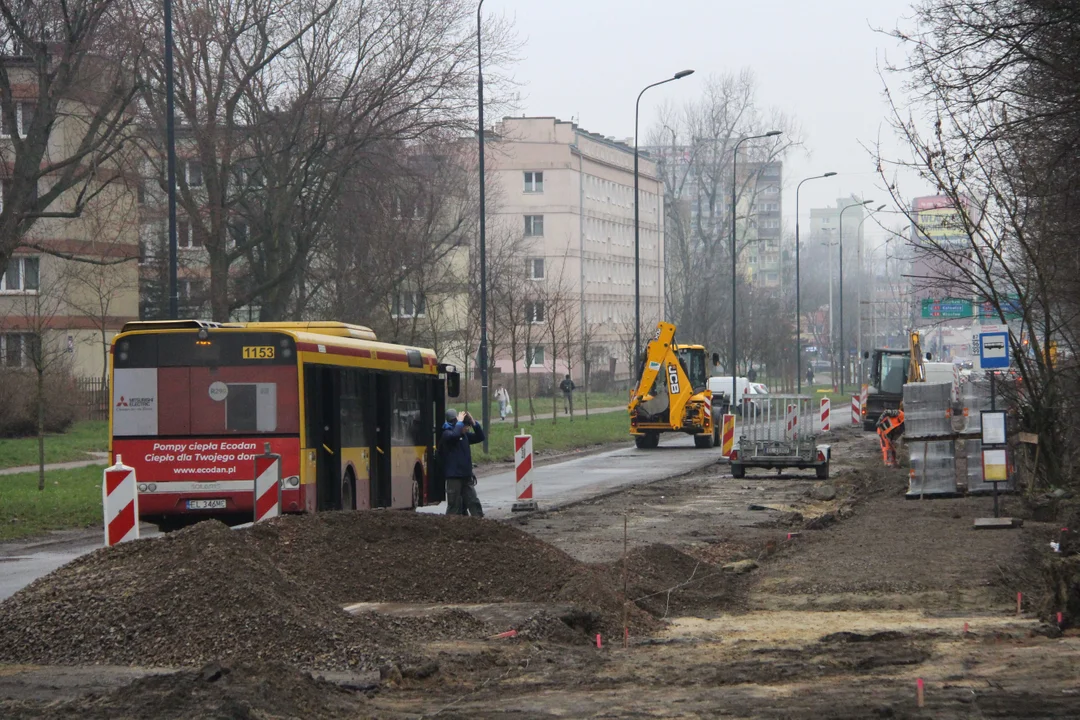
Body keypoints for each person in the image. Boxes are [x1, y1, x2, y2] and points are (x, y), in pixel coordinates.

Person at [439, 408, 485, 517]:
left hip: (466, 475)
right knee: (454, 505)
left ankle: (479, 522)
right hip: (454, 476)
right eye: (466, 426)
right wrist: (460, 422)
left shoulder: (465, 436)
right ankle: (451, 525)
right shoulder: (447, 434)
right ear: (458, 425)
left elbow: (480, 437)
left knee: (473, 501)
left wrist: (474, 423)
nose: (468, 429)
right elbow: (454, 436)